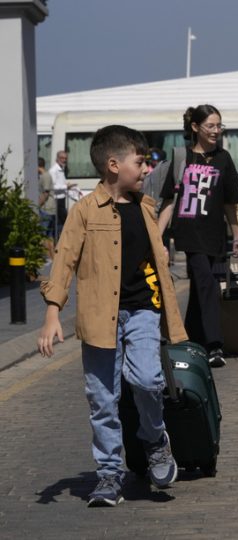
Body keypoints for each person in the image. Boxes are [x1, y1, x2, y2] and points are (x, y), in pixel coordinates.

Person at [37, 125, 188, 507]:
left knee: (148, 380)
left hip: (142, 310)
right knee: (102, 398)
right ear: (113, 165)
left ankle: (155, 440)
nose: (146, 169)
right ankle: (108, 474)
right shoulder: (85, 211)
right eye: (140, 162)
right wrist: (52, 314)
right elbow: (64, 260)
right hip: (99, 316)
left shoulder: (146, 206)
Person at [157, 105, 238, 368]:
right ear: (195, 127)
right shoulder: (182, 158)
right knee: (206, 283)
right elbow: (170, 201)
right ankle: (214, 345)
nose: (216, 131)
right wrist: (156, 238)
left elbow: (230, 202)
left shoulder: (224, 158)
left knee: (200, 289)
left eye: (219, 126)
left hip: (214, 234)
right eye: (211, 126)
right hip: (189, 233)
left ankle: (189, 339)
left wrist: (237, 235)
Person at [48, 150, 76, 235]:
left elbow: (60, 183)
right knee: (61, 221)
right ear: (57, 159)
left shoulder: (61, 168)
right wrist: (66, 187)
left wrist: (66, 185)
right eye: (62, 158)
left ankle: (61, 237)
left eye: (65, 158)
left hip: (62, 198)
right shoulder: (54, 170)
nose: (64, 160)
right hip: (56, 199)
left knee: (63, 220)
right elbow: (52, 187)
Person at [37, 157, 57, 257]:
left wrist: (37, 206)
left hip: (47, 209)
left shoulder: (45, 176)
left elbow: (45, 193)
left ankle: (47, 258)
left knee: (43, 235)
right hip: (50, 209)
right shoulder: (45, 175)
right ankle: (52, 258)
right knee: (49, 236)